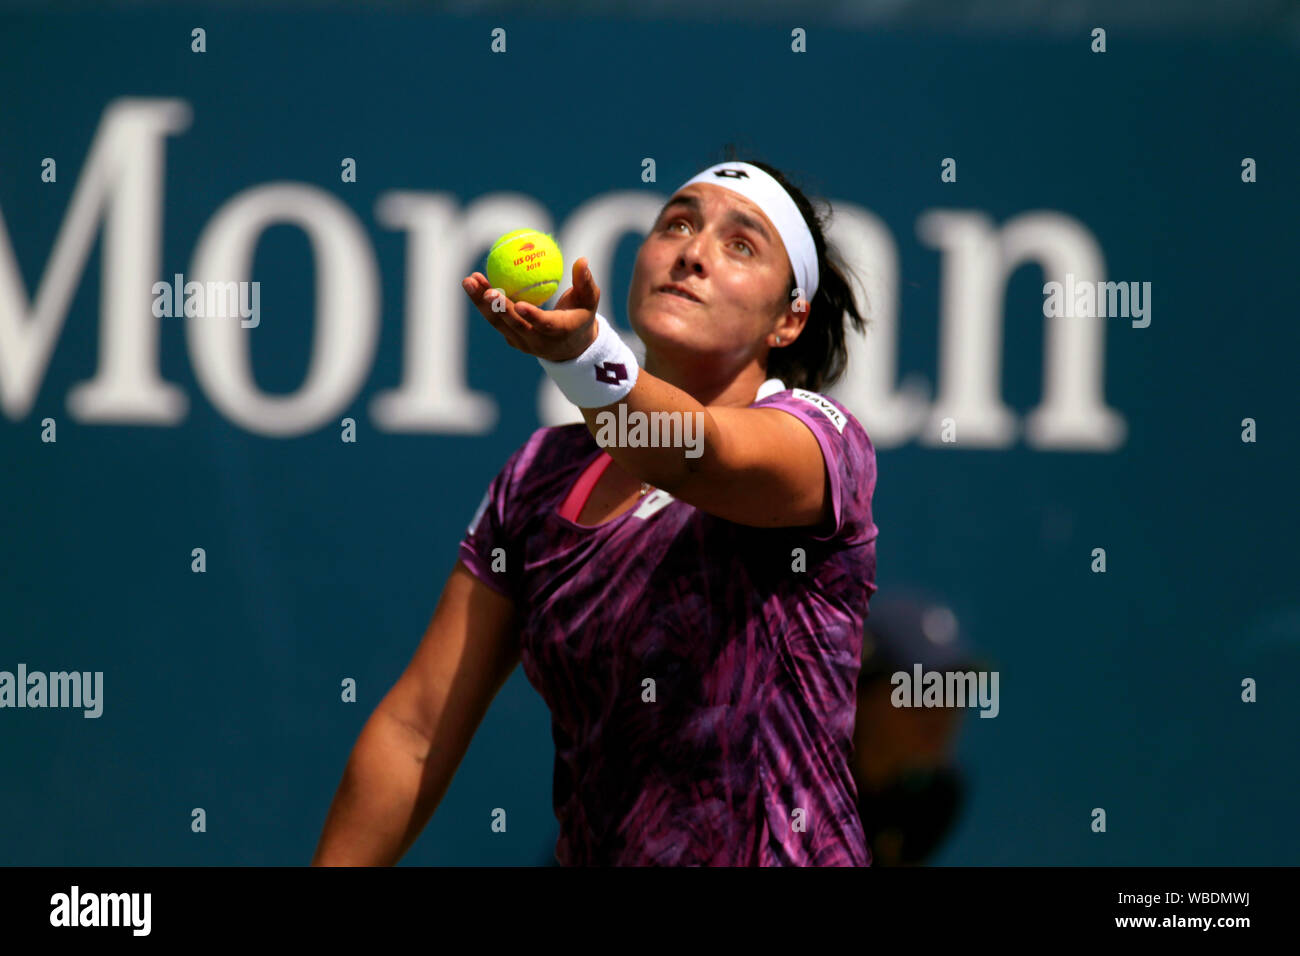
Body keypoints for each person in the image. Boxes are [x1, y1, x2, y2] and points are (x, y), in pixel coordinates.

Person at [312, 152, 877, 866]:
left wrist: (586, 357)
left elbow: (689, 453)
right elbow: (416, 730)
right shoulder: (537, 479)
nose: (693, 253)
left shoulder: (823, 441)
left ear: (788, 321)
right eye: (677, 224)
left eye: (741, 245)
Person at [851, 591, 977, 865]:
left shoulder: (933, 801)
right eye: (921, 692)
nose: (941, 715)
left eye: (957, 690)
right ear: (862, 692)